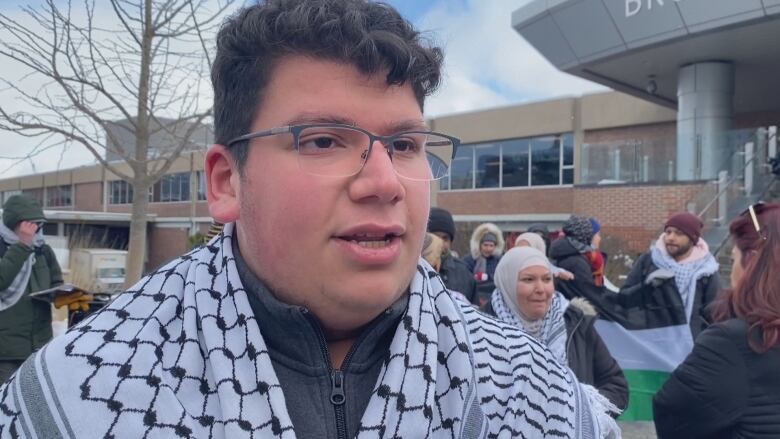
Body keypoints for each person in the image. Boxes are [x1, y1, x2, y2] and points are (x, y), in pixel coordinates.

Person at [0, 1, 620, 438]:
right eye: (323, 141)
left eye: (405, 145)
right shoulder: (80, 391)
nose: (383, 183)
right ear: (226, 182)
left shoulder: (532, 389)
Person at [653, 203, 780, 438]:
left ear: (752, 263)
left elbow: (672, 414)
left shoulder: (732, 342)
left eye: (733, 260)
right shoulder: (650, 264)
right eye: (668, 231)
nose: (731, 273)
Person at [482, 247, 629, 415]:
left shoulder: (577, 324)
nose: (541, 289)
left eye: (546, 279)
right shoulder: (480, 331)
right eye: (528, 279)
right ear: (507, 283)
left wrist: (579, 411)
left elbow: (617, 386)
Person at [622, 212, 720, 339]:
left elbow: (715, 313)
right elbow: (624, 298)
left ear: (693, 239)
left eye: (679, 233)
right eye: (668, 232)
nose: (670, 238)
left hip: (690, 347)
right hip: (650, 342)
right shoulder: (648, 261)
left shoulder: (706, 270)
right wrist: (646, 288)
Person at [0, 195, 63, 384]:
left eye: (38, 224)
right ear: (14, 223)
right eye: (29, 224)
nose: (34, 229)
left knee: (32, 400)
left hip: (39, 345)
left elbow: (56, 281)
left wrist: (65, 296)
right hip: (7, 350)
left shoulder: (43, 250)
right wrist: (21, 246)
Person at [427, 207, 477, 304]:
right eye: (435, 236)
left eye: (445, 238)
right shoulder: (411, 269)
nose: (440, 243)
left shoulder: (464, 273)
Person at [550, 215, 599, 298]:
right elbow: (589, 294)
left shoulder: (561, 254)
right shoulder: (577, 263)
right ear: (586, 236)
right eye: (597, 234)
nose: (599, 238)